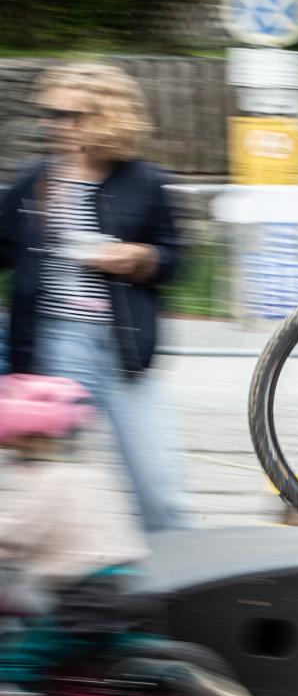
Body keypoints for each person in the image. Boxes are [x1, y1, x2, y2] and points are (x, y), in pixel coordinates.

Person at [0, 375, 261, 696]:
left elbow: (19, 532)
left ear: (31, 438)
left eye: (16, 444)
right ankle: (213, 692)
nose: (13, 453)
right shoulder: (90, 474)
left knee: (19, 659)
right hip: (118, 585)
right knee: (108, 651)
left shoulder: (47, 482)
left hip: (81, 595)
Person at [0, 63, 189, 533]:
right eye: (51, 114)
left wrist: (137, 257)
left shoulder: (145, 182)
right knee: (56, 485)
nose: (56, 125)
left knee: (158, 488)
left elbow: (177, 260)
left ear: (108, 117)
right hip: (55, 345)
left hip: (123, 348)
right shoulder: (34, 182)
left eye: (71, 115)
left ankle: (182, 593)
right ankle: (63, 595)